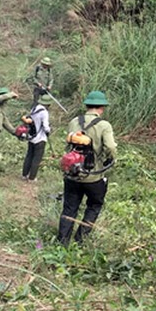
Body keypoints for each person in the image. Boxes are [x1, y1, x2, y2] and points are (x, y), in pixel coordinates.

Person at [57, 90, 117, 245]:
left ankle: (62, 243)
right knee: (94, 205)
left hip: (72, 173)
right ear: (102, 108)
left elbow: (68, 146)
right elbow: (110, 147)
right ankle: (80, 240)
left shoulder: (74, 121)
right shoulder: (104, 125)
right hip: (93, 176)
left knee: (69, 209)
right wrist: (111, 159)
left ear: (87, 105)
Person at [21, 94, 51, 181]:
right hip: (40, 139)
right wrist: (49, 130)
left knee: (29, 156)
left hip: (31, 137)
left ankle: (24, 175)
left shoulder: (34, 108)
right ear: (48, 104)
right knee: (36, 159)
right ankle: (32, 178)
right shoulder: (44, 112)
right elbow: (45, 127)